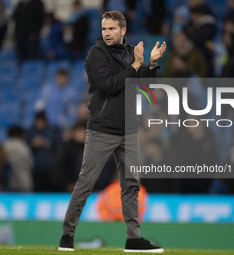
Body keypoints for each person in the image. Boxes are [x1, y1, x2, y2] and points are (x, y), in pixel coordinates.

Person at [58, 10, 166, 253]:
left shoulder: (131, 53)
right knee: (86, 182)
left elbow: (145, 92)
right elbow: (109, 85)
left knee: (130, 185)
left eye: (112, 29)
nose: (106, 33)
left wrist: (151, 64)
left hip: (129, 130)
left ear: (123, 31)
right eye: (104, 28)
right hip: (102, 130)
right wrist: (137, 64)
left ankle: (133, 239)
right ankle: (67, 235)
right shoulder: (96, 54)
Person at [4, 126, 33, 192]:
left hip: (9, 182)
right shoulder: (24, 147)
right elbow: (30, 165)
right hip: (23, 181)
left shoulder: (4, 146)